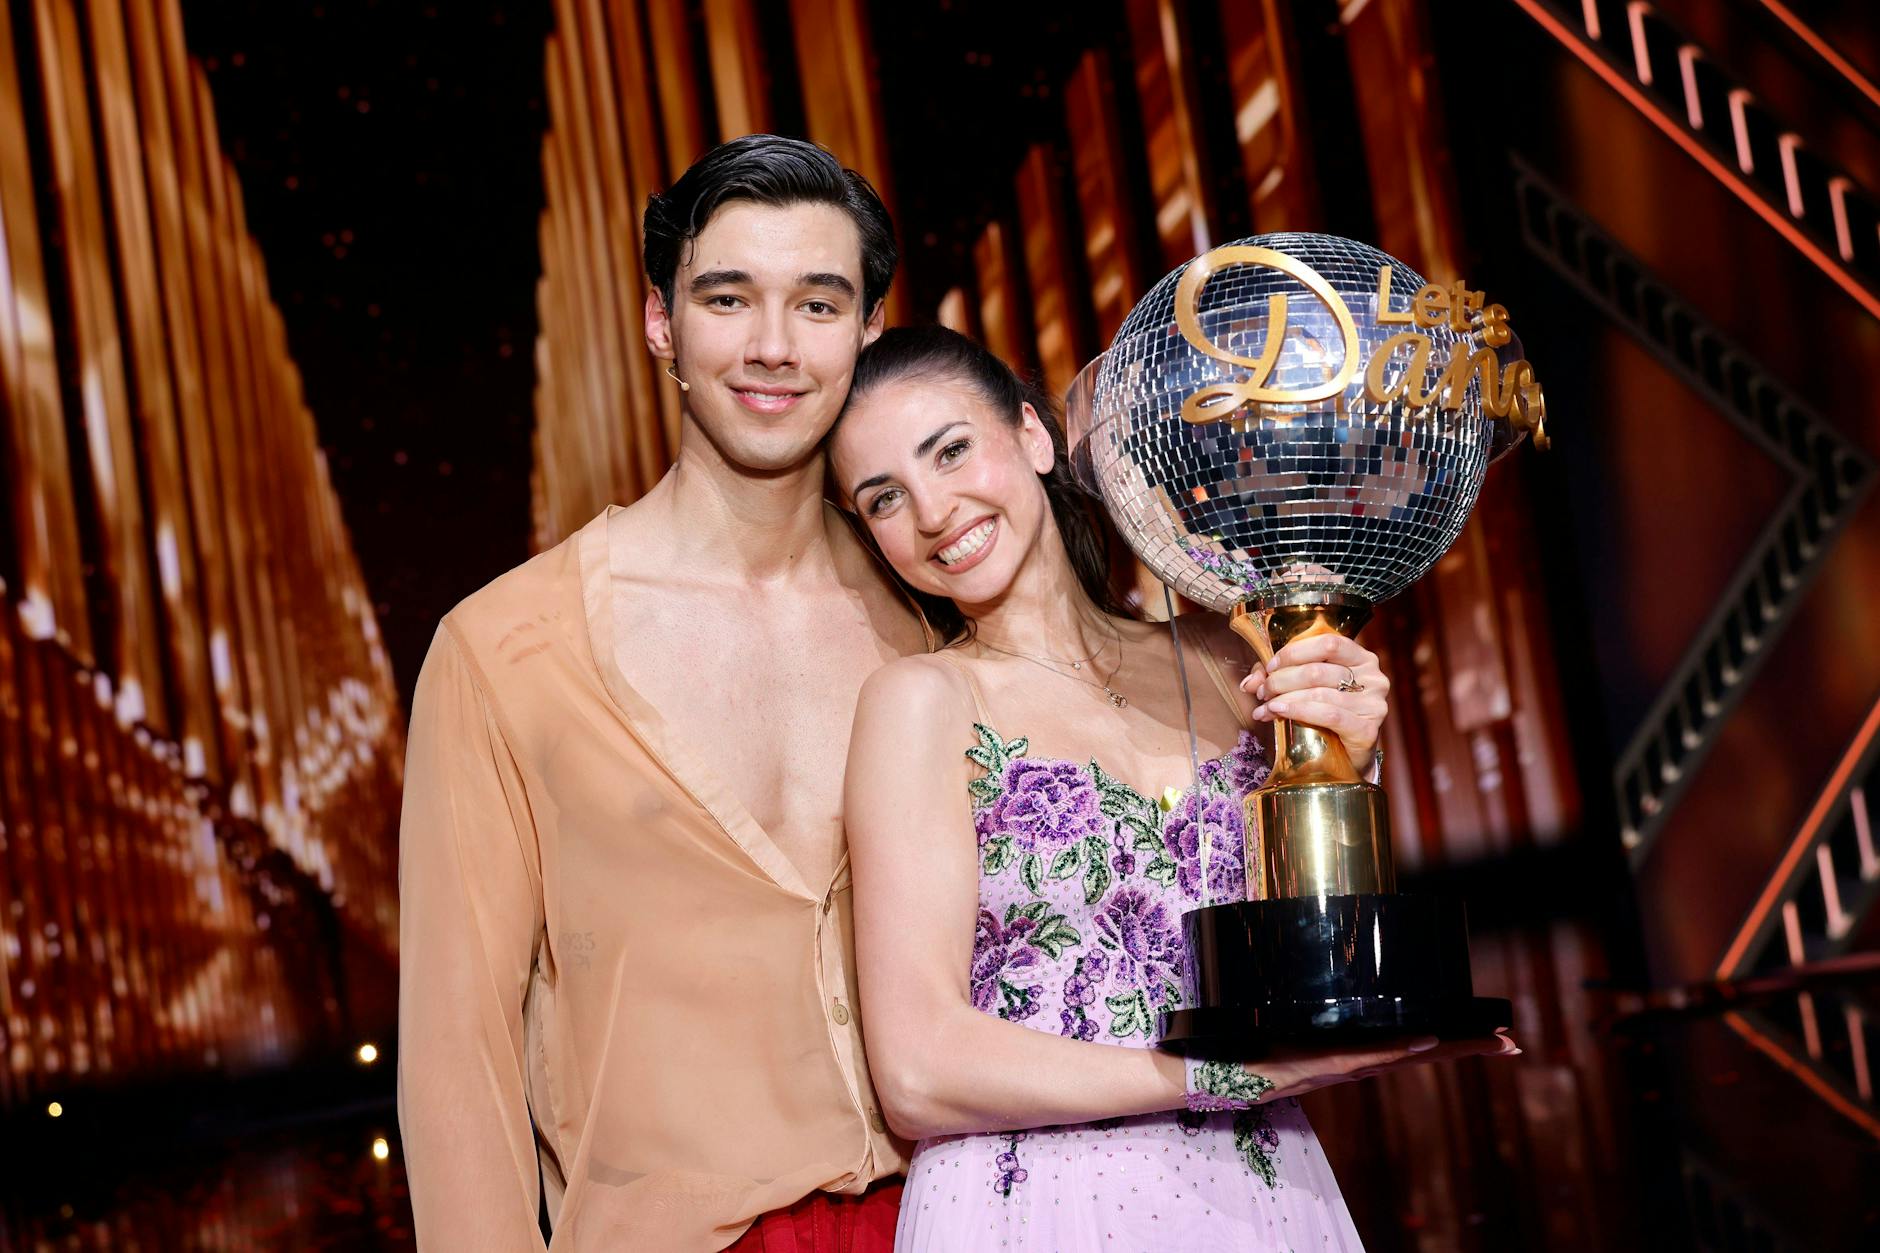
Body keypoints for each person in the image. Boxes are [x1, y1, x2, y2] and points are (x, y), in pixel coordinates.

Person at [831, 326, 1517, 1250]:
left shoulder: (1226, 655)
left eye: (951, 450)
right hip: (1039, 1202)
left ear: (1033, 437)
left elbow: (1309, 962)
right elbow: (917, 1070)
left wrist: (1350, 760)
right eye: (885, 498)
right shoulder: (921, 702)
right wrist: (1211, 1077)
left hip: (1263, 1183)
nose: (934, 511)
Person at [396, 135, 930, 1251]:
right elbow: (458, 1061)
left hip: (965, 1213)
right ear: (660, 321)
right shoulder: (501, 647)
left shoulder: (933, 608)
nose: (773, 347)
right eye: (728, 297)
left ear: (869, 330)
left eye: (819, 304)